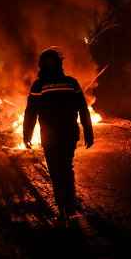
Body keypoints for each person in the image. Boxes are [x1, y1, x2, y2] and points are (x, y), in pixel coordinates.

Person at [23, 48, 94, 225]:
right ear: (60, 63)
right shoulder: (72, 83)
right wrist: (88, 132)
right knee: (67, 166)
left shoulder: (38, 86)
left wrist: (27, 135)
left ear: (41, 65)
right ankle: (71, 204)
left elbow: (30, 113)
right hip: (70, 134)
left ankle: (62, 209)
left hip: (50, 136)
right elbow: (83, 110)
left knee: (56, 171)